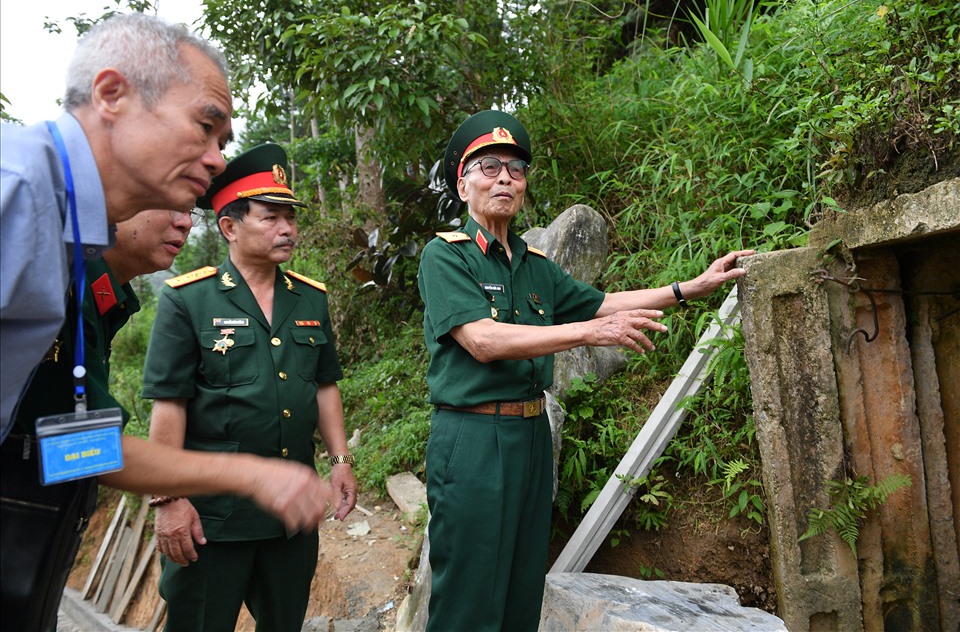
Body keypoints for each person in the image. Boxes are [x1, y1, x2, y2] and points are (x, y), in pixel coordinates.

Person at [417, 109, 754, 632]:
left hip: (530, 435)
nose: (505, 177)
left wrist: (690, 287)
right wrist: (586, 334)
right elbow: (482, 340)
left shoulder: (534, 266)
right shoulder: (446, 257)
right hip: (472, 438)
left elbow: (601, 302)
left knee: (522, 586)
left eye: (516, 168)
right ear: (463, 185)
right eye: (488, 167)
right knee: (468, 591)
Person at [143, 143, 358, 631]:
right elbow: (170, 405)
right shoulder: (188, 301)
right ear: (229, 227)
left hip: (291, 517)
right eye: (271, 217)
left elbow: (325, 386)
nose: (287, 229)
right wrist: (167, 500)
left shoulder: (309, 298)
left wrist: (341, 460)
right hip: (211, 519)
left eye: (291, 218)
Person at [0, 12, 232, 442]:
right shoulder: (17, 190)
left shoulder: (64, 234)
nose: (216, 159)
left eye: (222, 141)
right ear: (111, 95)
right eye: (204, 127)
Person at [0, 206, 202, 631]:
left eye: (191, 213)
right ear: (120, 203)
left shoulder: (105, 294)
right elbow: (78, 447)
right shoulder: (61, 283)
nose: (184, 223)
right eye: (170, 207)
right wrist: (252, 478)